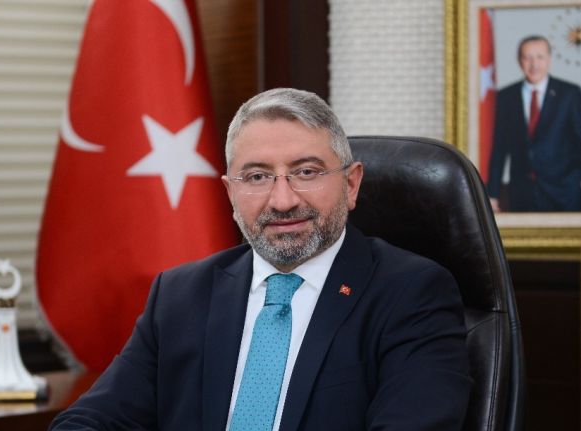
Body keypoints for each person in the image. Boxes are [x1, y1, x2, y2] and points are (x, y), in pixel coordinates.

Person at [49, 88, 472, 430]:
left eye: (306, 172)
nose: (282, 200)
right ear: (231, 193)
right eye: (257, 177)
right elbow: (89, 422)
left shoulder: (411, 293)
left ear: (351, 184)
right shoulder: (180, 295)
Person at [487, 35, 581, 212]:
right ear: (519, 61)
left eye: (540, 57)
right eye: (527, 58)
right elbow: (499, 149)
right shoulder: (506, 97)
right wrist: (492, 194)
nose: (534, 64)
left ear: (549, 60)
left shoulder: (570, 94)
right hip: (522, 194)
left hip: (564, 193)